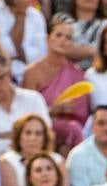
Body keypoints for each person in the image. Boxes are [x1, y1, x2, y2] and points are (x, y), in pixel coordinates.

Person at [0, 53, 53, 158]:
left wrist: (4, 136)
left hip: (36, 161)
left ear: (9, 74)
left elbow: (46, 134)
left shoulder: (33, 99)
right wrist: (24, 137)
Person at [19, 22, 86, 152]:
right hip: (40, 125)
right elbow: (26, 110)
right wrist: (52, 110)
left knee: (73, 129)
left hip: (69, 127)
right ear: (48, 39)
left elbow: (81, 111)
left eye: (68, 38)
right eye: (59, 35)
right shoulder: (32, 71)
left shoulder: (76, 73)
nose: (63, 40)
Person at [0, 0, 48, 80]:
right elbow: (6, 51)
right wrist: (20, 14)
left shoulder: (36, 15)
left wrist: (16, 54)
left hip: (32, 78)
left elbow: (41, 55)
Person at [0, 113, 65, 186]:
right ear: (19, 136)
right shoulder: (7, 160)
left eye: (38, 133)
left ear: (44, 137)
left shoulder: (57, 160)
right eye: (28, 133)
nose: (32, 138)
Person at [53, 0, 107, 69]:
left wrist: (76, 49)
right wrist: (92, 51)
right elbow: (59, 48)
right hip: (63, 73)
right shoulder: (60, 19)